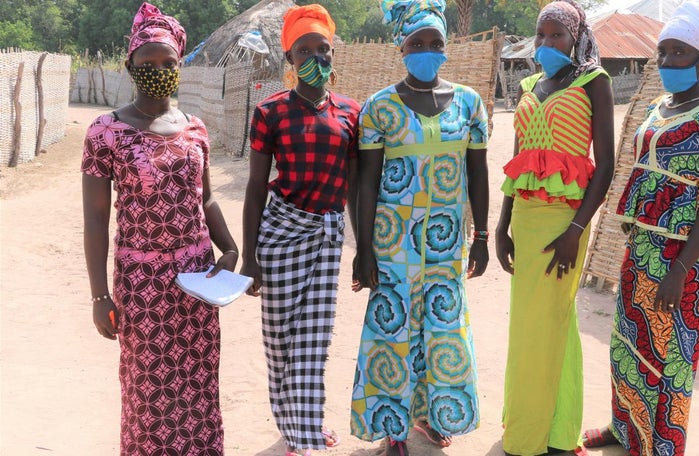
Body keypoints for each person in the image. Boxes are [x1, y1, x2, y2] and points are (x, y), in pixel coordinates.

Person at [581, 1, 699, 455]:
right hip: (644, 243)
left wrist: (681, 268)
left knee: (671, 353)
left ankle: (661, 445)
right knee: (628, 340)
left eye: (679, 52)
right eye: (663, 52)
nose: (667, 61)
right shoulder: (657, 106)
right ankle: (624, 428)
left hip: (687, 252)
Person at [81, 2, 238, 455]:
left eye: (168, 63)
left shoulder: (195, 129)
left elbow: (204, 197)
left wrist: (228, 248)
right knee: (147, 391)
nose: (158, 70)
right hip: (141, 283)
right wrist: (98, 296)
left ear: (181, 65)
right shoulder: (105, 132)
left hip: (197, 279)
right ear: (130, 63)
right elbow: (95, 218)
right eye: (148, 63)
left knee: (198, 384)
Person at [349, 1, 490, 455]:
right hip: (393, 244)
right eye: (417, 43)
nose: (427, 50)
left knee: (440, 329)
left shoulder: (469, 103)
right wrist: (364, 248)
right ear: (401, 47)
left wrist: (482, 237)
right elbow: (366, 182)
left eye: (435, 43)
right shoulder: (380, 108)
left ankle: (430, 417)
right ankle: (394, 427)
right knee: (394, 332)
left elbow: (479, 173)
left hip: (446, 243)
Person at [494, 0, 615, 454]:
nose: (546, 43)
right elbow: (518, 162)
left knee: (541, 325)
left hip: (565, 223)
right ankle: (558, 431)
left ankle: (527, 440)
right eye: (541, 35)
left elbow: (605, 166)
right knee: (544, 326)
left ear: (576, 38)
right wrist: (502, 226)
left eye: (556, 35)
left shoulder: (594, 82)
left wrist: (576, 230)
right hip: (525, 219)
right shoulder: (528, 84)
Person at [239, 4, 359, 456]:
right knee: (279, 341)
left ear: (333, 54)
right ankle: (295, 422)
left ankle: (302, 435)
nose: (314, 57)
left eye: (322, 49)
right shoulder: (270, 112)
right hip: (280, 235)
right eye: (303, 50)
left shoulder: (351, 112)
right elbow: (254, 187)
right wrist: (250, 257)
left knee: (313, 340)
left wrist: (361, 248)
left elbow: (358, 186)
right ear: (289, 59)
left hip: (327, 237)